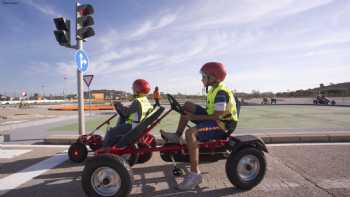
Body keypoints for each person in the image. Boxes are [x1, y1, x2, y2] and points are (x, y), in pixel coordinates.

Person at [161, 62, 239, 190]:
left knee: (190, 133)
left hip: (222, 124)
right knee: (186, 105)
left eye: (204, 76)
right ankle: (177, 135)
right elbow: (211, 113)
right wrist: (192, 115)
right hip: (214, 118)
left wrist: (194, 118)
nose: (202, 79)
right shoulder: (214, 89)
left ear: (213, 77)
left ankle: (195, 174)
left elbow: (217, 116)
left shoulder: (220, 93)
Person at [103, 79, 153, 147]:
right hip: (139, 124)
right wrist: (125, 108)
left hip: (132, 126)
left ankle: (104, 149)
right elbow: (134, 111)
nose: (133, 90)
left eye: (134, 89)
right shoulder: (145, 100)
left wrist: (118, 105)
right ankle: (115, 141)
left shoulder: (137, 101)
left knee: (110, 131)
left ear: (137, 89)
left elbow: (126, 114)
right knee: (121, 118)